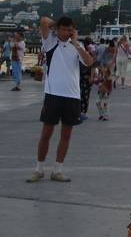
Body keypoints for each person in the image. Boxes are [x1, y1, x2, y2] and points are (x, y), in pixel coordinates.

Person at [26, 16, 93, 183]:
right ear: (58, 29)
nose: (66, 32)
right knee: (46, 133)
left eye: (69, 29)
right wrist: (56, 27)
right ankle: (39, 169)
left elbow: (89, 62)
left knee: (66, 135)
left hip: (72, 96)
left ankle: (57, 170)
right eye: (64, 29)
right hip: (53, 94)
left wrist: (76, 42)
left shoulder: (77, 46)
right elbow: (43, 21)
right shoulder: (50, 42)